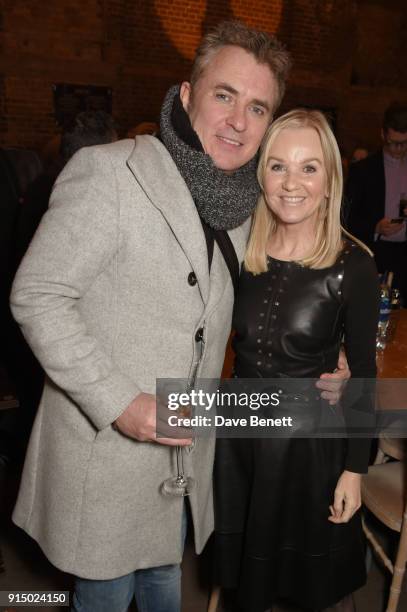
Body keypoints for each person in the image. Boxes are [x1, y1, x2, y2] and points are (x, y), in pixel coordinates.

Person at [10, 22, 347, 612]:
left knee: (165, 586)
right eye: (224, 95)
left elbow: (276, 298)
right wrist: (120, 403)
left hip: (183, 453)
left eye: (257, 107)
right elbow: (37, 294)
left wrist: (331, 358)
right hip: (107, 456)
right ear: (187, 96)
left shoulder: (245, 206)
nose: (239, 121)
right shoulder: (111, 172)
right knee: (106, 595)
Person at [214, 109, 379, 612]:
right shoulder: (240, 245)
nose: (291, 183)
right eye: (278, 166)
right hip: (240, 437)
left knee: (315, 587)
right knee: (247, 578)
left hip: (308, 449)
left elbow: (365, 375)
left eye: (309, 168)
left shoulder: (354, 265)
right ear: (260, 174)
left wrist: (356, 469)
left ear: (330, 180)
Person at [346, 104, 407, 302]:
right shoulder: (363, 170)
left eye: (404, 143)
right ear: (382, 135)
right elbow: (347, 218)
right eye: (393, 143)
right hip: (376, 253)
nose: (398, 149)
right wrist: (375, 226)